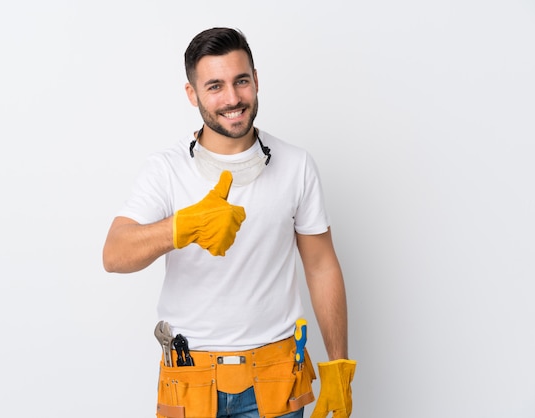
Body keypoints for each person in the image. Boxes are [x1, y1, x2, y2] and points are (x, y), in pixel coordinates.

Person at [103, 27, 356, 418]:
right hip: (189, 379)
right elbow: (114, 254)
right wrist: (180, 227)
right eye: (215, 86)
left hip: (276, 379)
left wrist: (339, 366)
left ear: (256, 80)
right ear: (193, 94)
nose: (233, 98)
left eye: (241, 81)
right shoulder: (165, 170)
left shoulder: (296, 165)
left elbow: (321, 266)